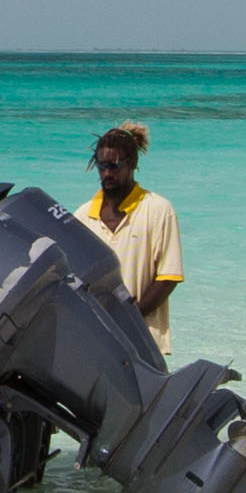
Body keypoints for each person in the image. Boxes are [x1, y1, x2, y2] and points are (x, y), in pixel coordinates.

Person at [83, 120, 180, 350]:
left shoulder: (158, 210)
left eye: (115, 166)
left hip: (145, 341)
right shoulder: (82, 217)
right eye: (101, 166)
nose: (107, 173)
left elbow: (168, 278)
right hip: (98, 343)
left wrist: (130, 322)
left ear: (133, 163)